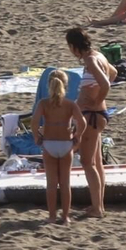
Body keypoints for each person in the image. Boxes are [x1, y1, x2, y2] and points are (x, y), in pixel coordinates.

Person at [65, 29, 114, 219]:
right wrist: (96, 96)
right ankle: (98, 205)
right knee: (97, 163)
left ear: (73, 47)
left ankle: (97, 209)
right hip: (97, 115)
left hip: (92, 116)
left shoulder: (91, 60)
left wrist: (95, 101)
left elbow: (106, 84)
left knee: (87, 162)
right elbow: (114, 73)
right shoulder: (98, 56)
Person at [33, 74, 84, 224]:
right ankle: (66, 216)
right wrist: (78, 136)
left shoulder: (43, 103)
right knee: (65, 183)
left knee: (51, 184)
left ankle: (52, 217)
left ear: (49, 85)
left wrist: (36, 137)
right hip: (66, 144)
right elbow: (82, 122)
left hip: (49, 144)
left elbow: (34, 122)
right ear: (65, 85)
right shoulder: (70, 104)